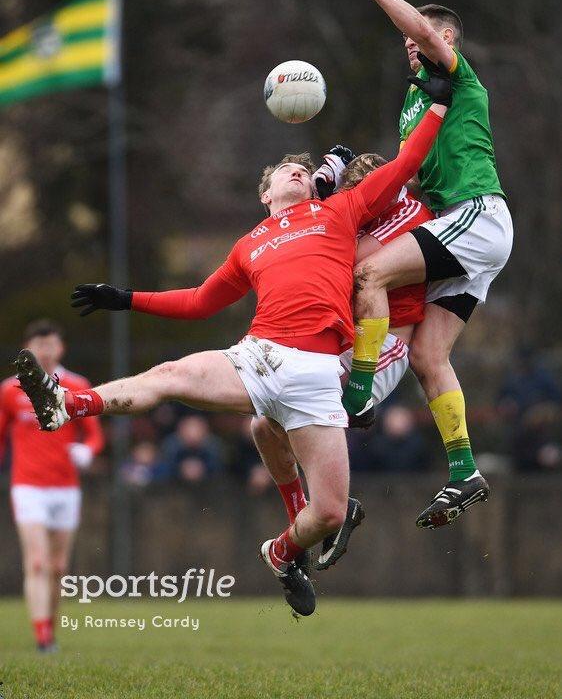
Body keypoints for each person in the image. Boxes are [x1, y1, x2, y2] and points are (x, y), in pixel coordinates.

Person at [14, 71, 450, 617]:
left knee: (331, 512)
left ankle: (282, 551)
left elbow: (404, 166)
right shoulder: (250, 243)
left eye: (304, 168)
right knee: (169, 375)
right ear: (266, 195)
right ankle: (67, 403)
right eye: (285, 170)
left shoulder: (338, 211)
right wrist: (126, 299)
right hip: (260, 356)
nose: (298, 169)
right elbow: (199, 301)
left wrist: (437, 109)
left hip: (319, 372)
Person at [340, 0, 513, 529]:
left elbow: (419, 29)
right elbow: (408, 177)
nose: (413, 44)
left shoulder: (461, 78)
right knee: (427, 357)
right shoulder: (415, 103)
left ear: (447, 41)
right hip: (464, 234)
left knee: (370, 275)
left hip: (476, 216)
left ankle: (358, 394)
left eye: (424, 36)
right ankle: (465, 472)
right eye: (409, 42)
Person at [250, 151, 434, 570]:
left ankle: (329, 509)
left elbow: (338, 258)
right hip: (341, 344)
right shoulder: (342, 216)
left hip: (382, 345)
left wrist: (315, 201)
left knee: (288, 412)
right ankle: (302, 515)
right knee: (262, 423)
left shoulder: (407, 214)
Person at [0, 320, 104, 652]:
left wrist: (87, 451)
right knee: (37, 562)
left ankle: (50, 628)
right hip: (27, 486)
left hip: (66, 488)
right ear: (27, 350)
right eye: (39, 345)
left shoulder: (77, 385)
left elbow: (95, 435)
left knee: (58, 568)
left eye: (51, 344)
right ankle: (42, 635)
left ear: (61, 348)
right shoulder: (9, 390)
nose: (45, 351)